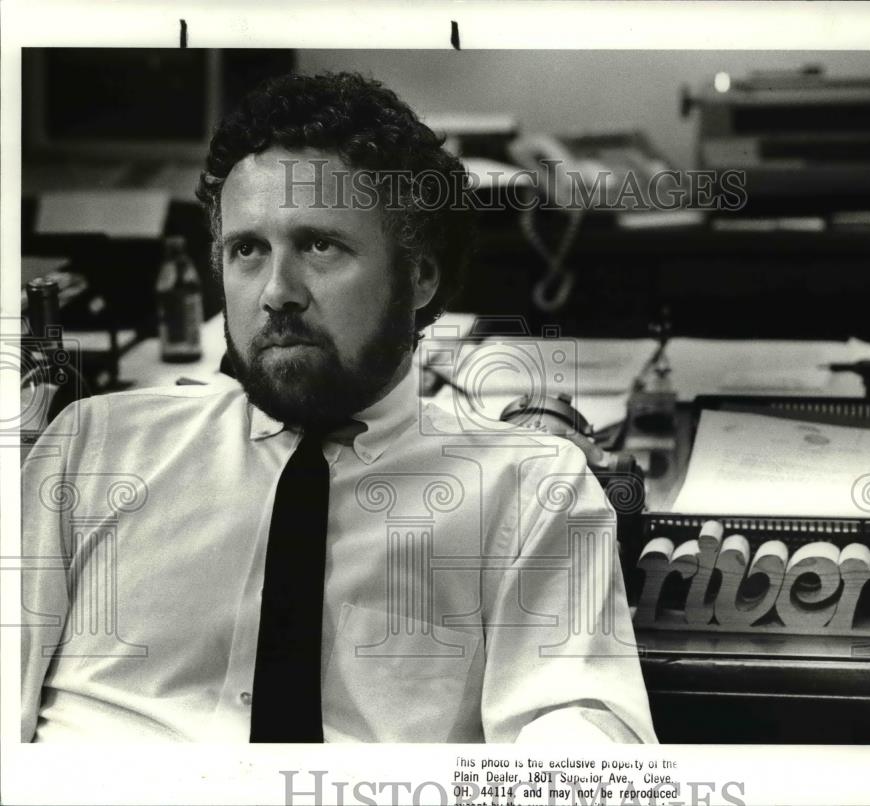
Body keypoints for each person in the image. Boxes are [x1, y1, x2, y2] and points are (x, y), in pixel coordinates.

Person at [21, 72, 656, 743]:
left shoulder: (529, 491)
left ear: (420, 276)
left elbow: (581, 736)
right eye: (247, 250)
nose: (276, 292)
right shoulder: (92, 449)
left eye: (320, 246)